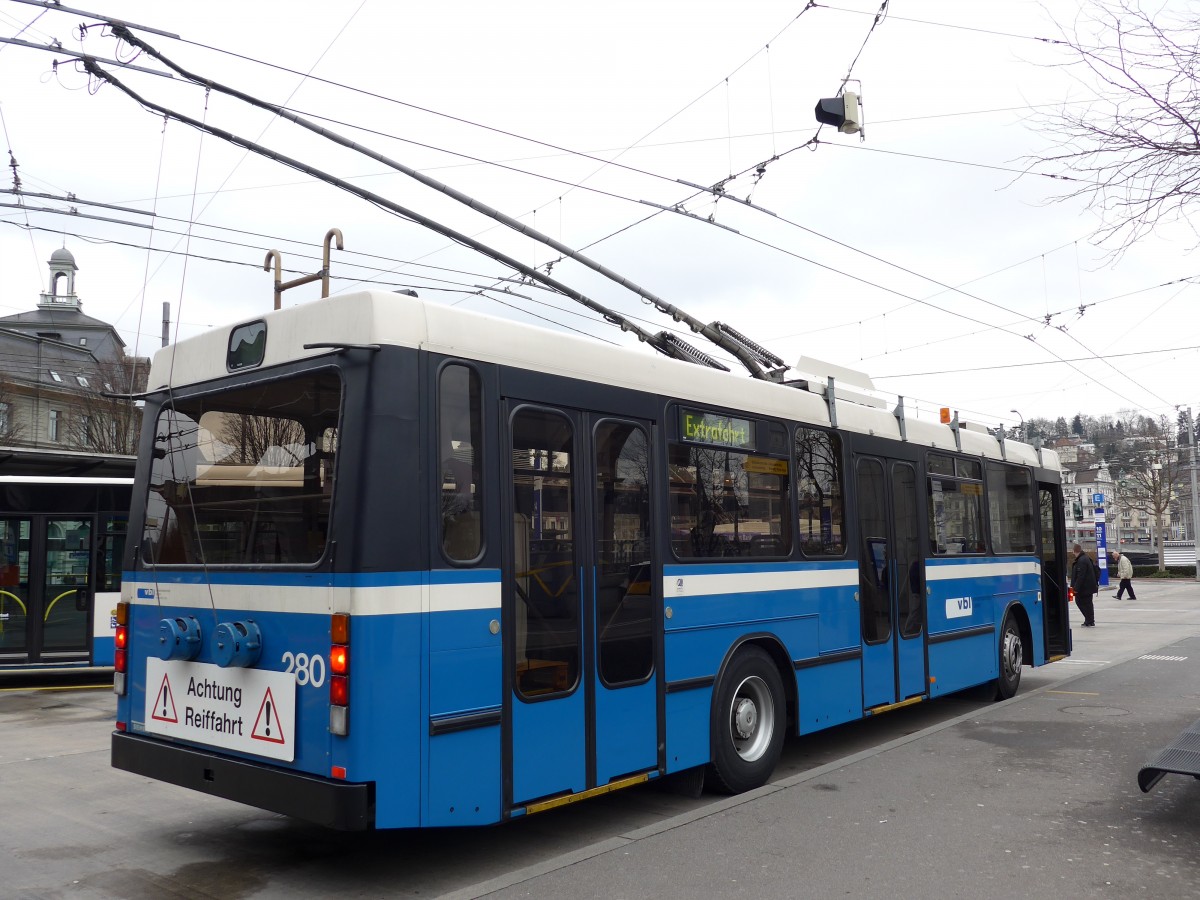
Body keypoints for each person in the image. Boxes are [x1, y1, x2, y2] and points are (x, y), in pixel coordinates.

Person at [1071, 542, 1098, 627]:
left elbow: (1080, 576)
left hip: (1084, 588)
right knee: (1088, 604)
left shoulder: (1081, 560)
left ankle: (1089, 620)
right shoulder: (1086, 558)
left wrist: (1075, 588)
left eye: (1073, 551)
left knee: (1081, 602)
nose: (1072, 553)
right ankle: (1089, 620)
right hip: (1088, 586)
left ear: (1075, 551)